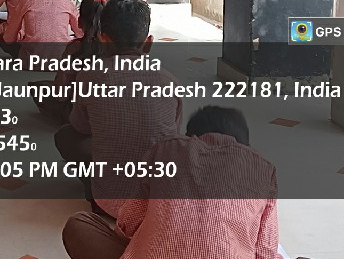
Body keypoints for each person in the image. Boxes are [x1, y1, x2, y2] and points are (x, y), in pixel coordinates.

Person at [61, 106, 280, 259]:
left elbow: (129, 223)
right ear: (244, 144)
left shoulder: (166, 149)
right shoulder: (264, 168)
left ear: (190, 135)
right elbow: (265, 251)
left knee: (80, 224)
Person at [55, 0, 182, 217]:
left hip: (108, 203)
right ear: (149, 43)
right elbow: (174, 136)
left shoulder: (89, 77)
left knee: (65, 135)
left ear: (102, 38)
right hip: (156, 206)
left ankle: (93, 185)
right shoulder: (170, 81)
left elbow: (80, 126)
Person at [32, 0, 108, 124]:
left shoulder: (74, 48)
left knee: (39, 87)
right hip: (110, 115)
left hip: (78, 114)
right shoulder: (118, 50)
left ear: (79, 21)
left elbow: (60, 94)